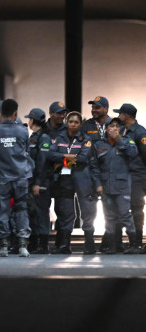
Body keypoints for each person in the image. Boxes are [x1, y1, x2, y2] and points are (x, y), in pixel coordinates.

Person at [0, 98, 31, 257]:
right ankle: (22, 246)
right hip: (21, 178)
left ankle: (3, 246)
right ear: (15, 113)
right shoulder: (23, 131)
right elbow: (26, 152)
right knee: (22, 210)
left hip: (1, 179)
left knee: (1, 212)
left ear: (0, 113)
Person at [90, 119, 138, 254]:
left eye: (117, 126)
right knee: (109, 216)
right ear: (106, 129)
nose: (114, 128)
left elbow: (133, 153)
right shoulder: (99, 145)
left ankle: (134, 244)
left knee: (125, 215)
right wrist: (98, 184)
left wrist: (118, 139)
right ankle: (112, 245)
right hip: (105, 186)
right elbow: (94, 167)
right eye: (111, 126)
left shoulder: (127, 141)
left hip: (122, 186)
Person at [48, 111, 92, 254]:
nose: (73, 124)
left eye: (76, 122)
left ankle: (89, 244)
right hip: (65, 180)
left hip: (81, 178)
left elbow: (84, 159)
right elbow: (50, 154)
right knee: (66, 212)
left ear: (80, 124)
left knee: (86, 210)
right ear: (67, 123)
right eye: (71, 121)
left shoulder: (86, 139)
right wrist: (66, 156)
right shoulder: (59, 137)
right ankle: (64, 245)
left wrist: (62, 163)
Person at [115, 103, 146, 252]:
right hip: (126, 176)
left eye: (120, 113)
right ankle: (132, 242)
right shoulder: (123, 131)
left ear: (126, 115)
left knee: (136, 208)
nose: (118, 116)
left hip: (138, 176)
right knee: (127, 209)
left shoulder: (140, 132)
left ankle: (137, 242)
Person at [25, 108, 54, 254]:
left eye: (29, 119)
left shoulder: (44, 138)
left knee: (42, 212)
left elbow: (42, 161)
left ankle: (43, 244)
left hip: (41, 182)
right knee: (34, 212)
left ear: (32, 120)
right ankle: (35, 243)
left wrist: (37, 182)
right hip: (33, 180)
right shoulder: (34, 137)